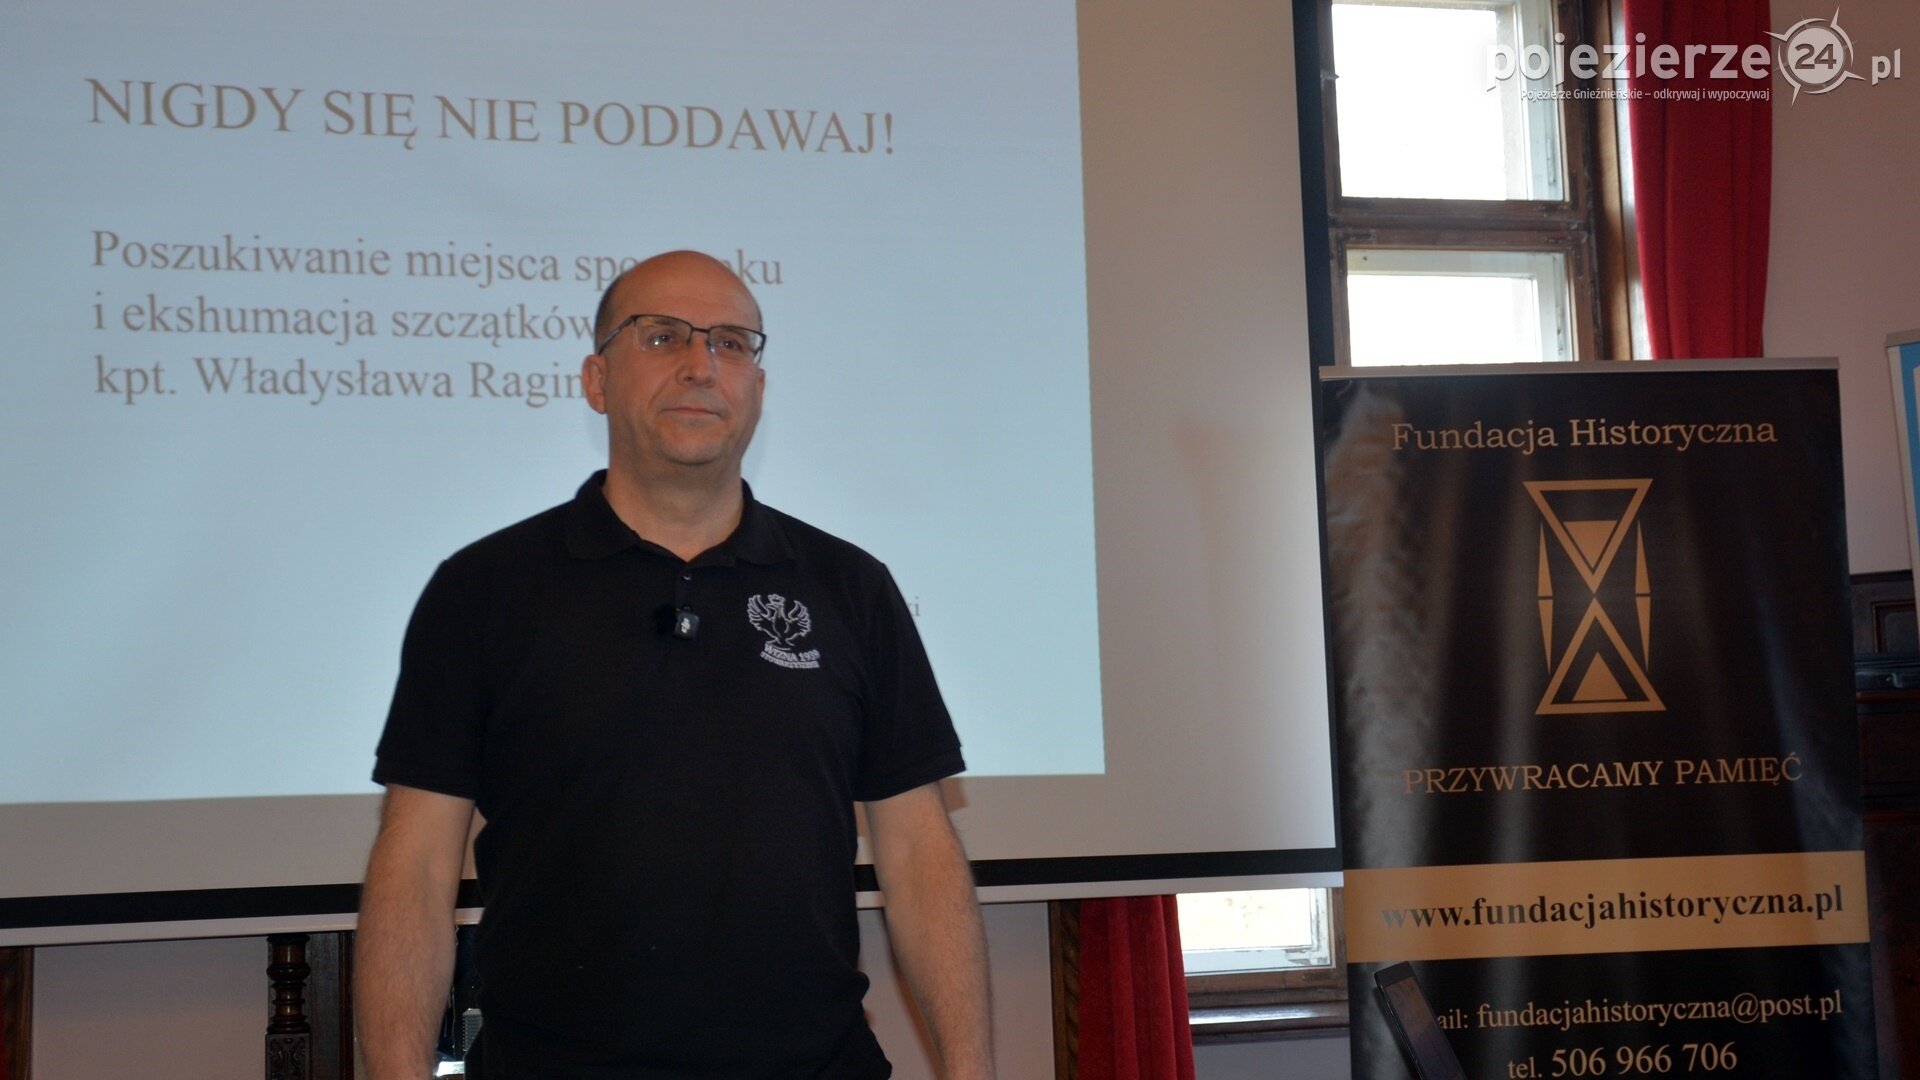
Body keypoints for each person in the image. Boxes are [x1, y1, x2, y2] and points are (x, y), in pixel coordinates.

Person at [355, 250, 993, 1079]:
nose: (701, 365)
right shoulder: (483, 589)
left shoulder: (851, 588)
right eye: (662, 337)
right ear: (596, 380)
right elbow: (415, 868)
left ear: (757, 387)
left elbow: (918, 855)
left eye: (730, 343)